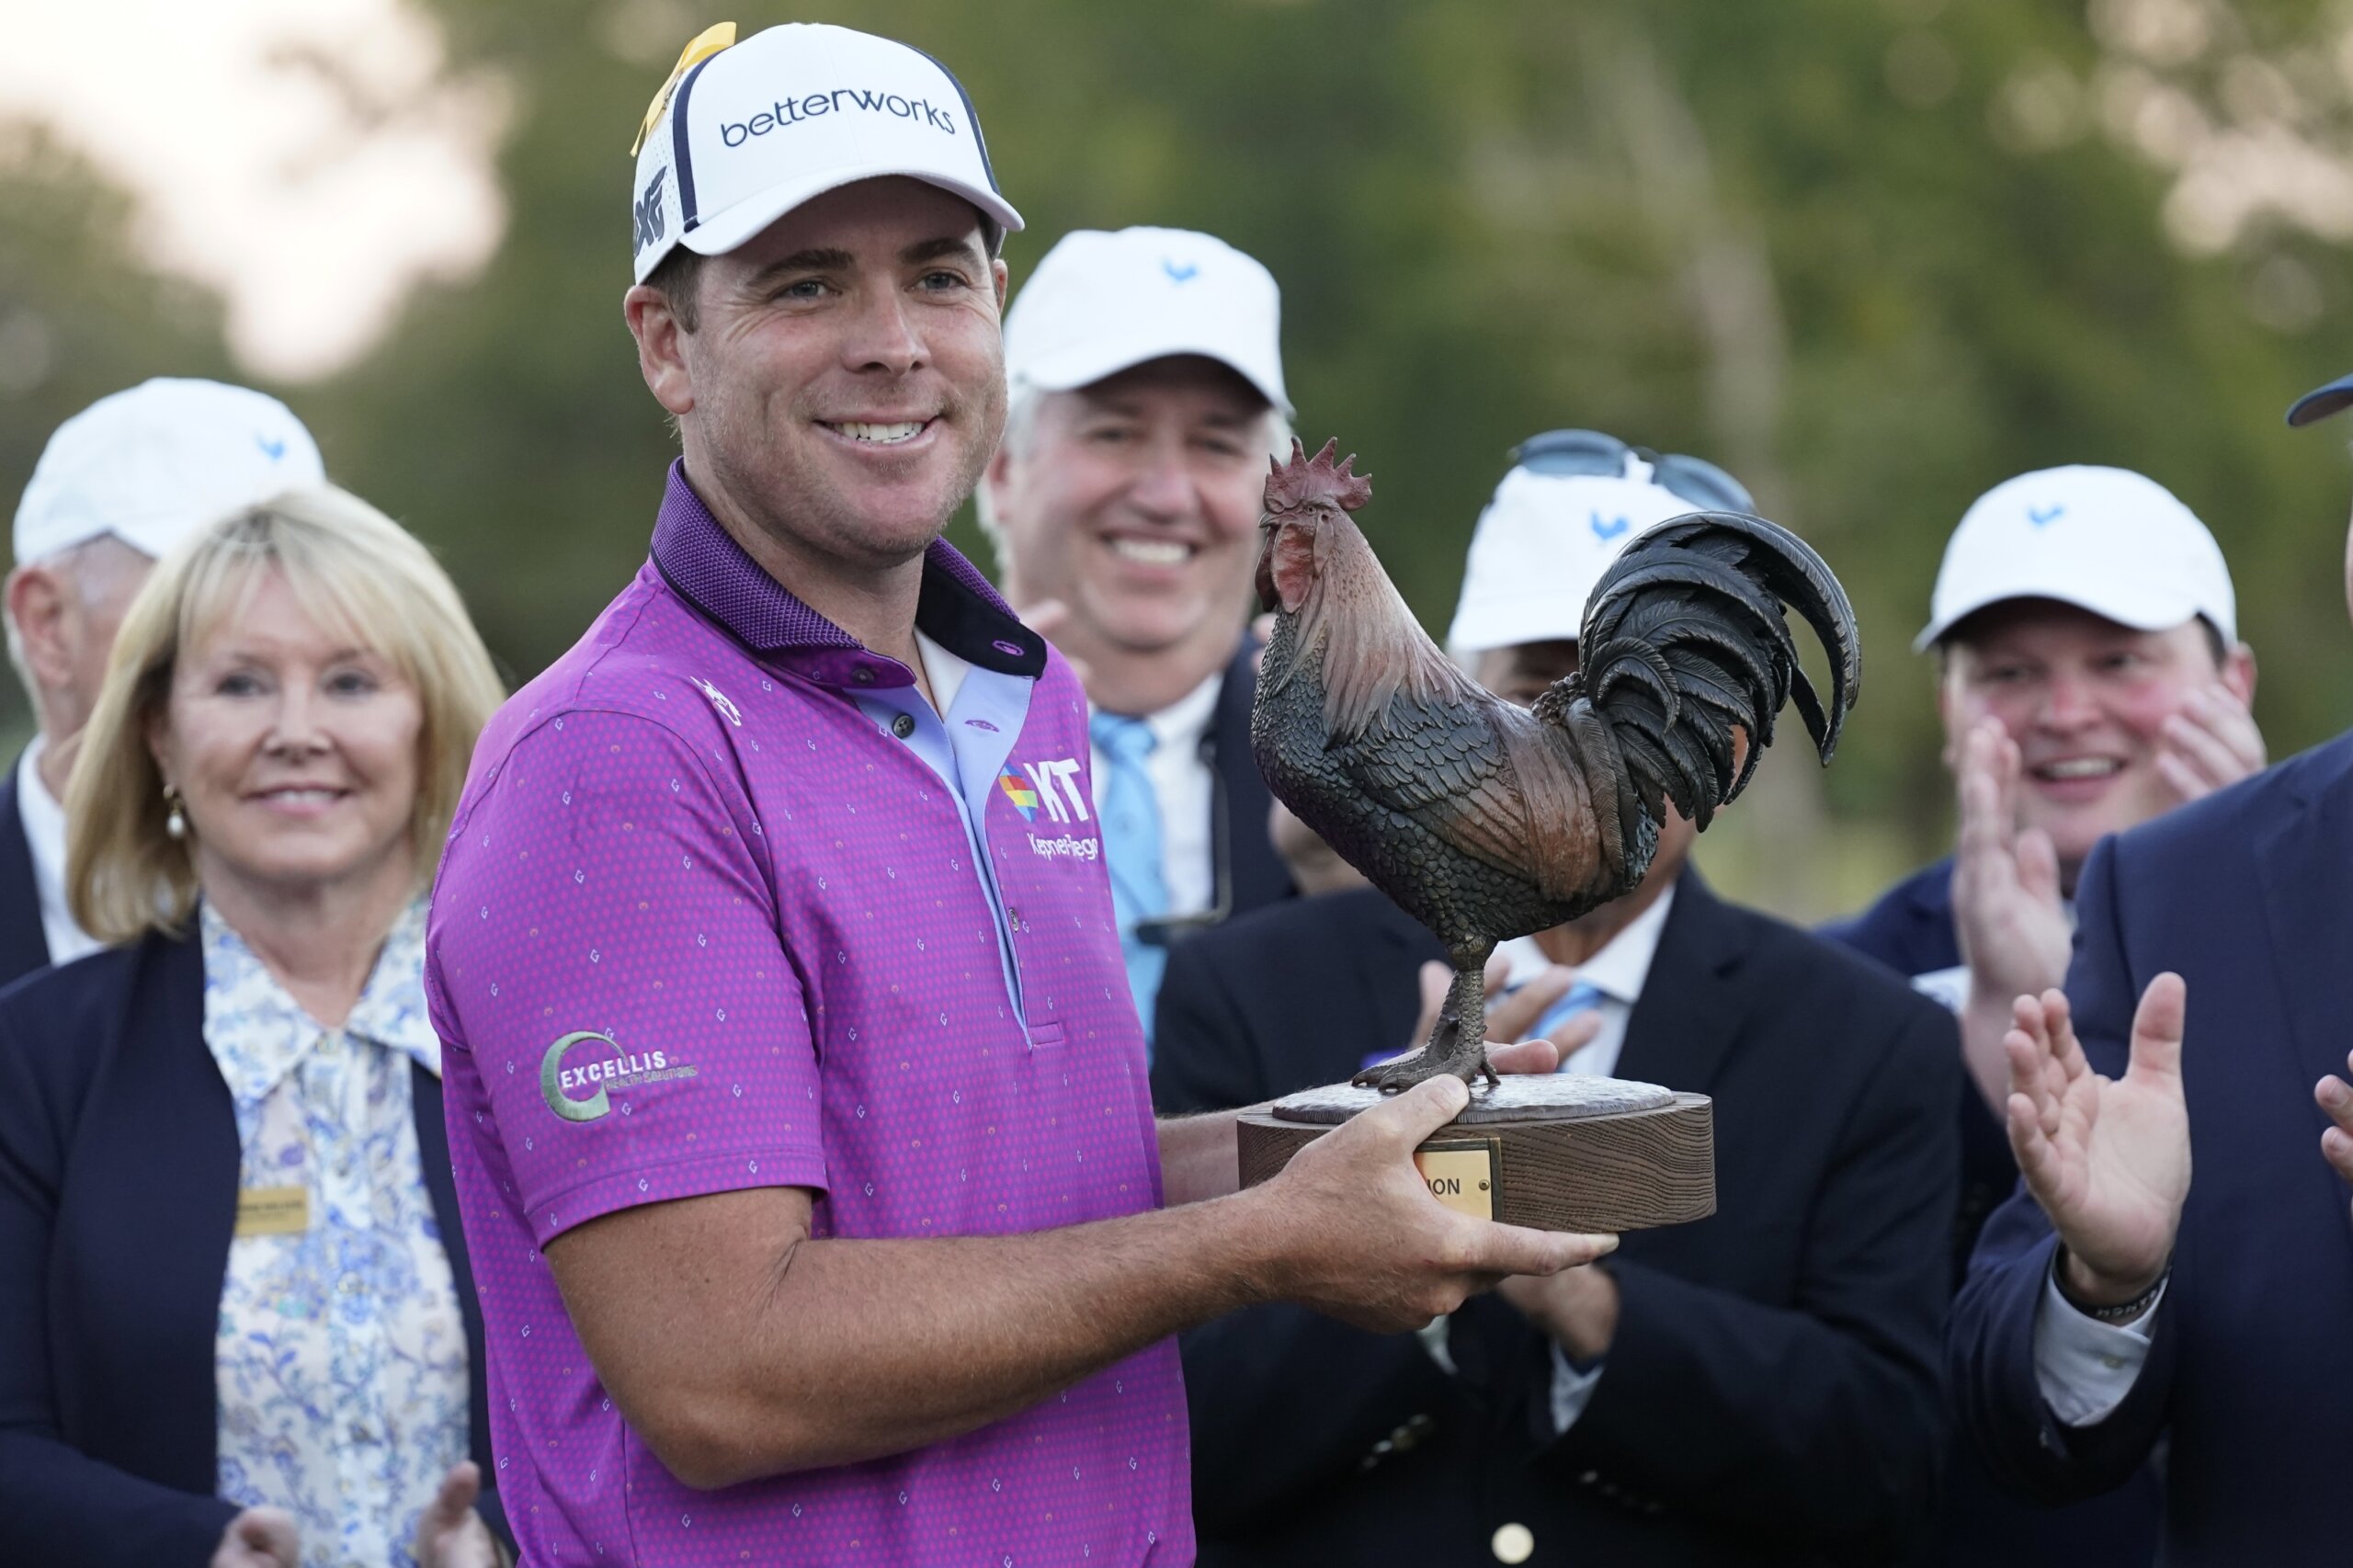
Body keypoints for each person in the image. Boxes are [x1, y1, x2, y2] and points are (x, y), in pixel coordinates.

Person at [424, 23, 1608, 1568]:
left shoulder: (1024, 697)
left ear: (995, 303)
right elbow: (725, 1366)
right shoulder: (611, 761)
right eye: (804, 285)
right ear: (667, 343)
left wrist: (1344, 1137)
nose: (892, 342)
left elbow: (1031, 1178)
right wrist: (1262, 1242)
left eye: (938, 274)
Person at [1154, 431, 1961, 1566]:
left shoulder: (1869, 1041)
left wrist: (1586, 1305)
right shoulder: (1242, 989)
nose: (1585, 740)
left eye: (1623, 707)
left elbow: (1887, 1462)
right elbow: (1175, 1431)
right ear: (1456, 681)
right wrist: (1390, 1236)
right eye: (1533, 691)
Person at [0, 488, 509, 1568]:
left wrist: (506, 1542)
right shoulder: (32, 1060)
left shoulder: (545, 1042)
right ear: (158, 733)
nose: (297, 731)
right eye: (240, 683)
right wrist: (189, 1548)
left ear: (430, 723)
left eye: (351, 681)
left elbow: (660, 1389)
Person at [1944, 376, 2353, 1564]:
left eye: (2119, 656)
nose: (2067, 710)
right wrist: (2106, 1282)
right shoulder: (2180, 879)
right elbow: (2009, 1420)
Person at [1827, 468, 2260, 1566]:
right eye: (2009, 673)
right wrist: (1997, 1052)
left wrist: (2241, 907)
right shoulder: (1838, 985)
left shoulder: (2324, 924)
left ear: (2232, 684)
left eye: (2119, 661)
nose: (2065, 714)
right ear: (1949, 710)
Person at [977, 225, 1297, 1044]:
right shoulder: (880, 756)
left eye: (1216, 445)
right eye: (1115, 433)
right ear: (1003, 469)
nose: (1166, 495)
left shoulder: (1345, 774)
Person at [1, 379, 325, 983]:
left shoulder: (429, 908)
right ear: (48, 624)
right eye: (204, 593)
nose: (278, 639)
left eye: (311, 597)